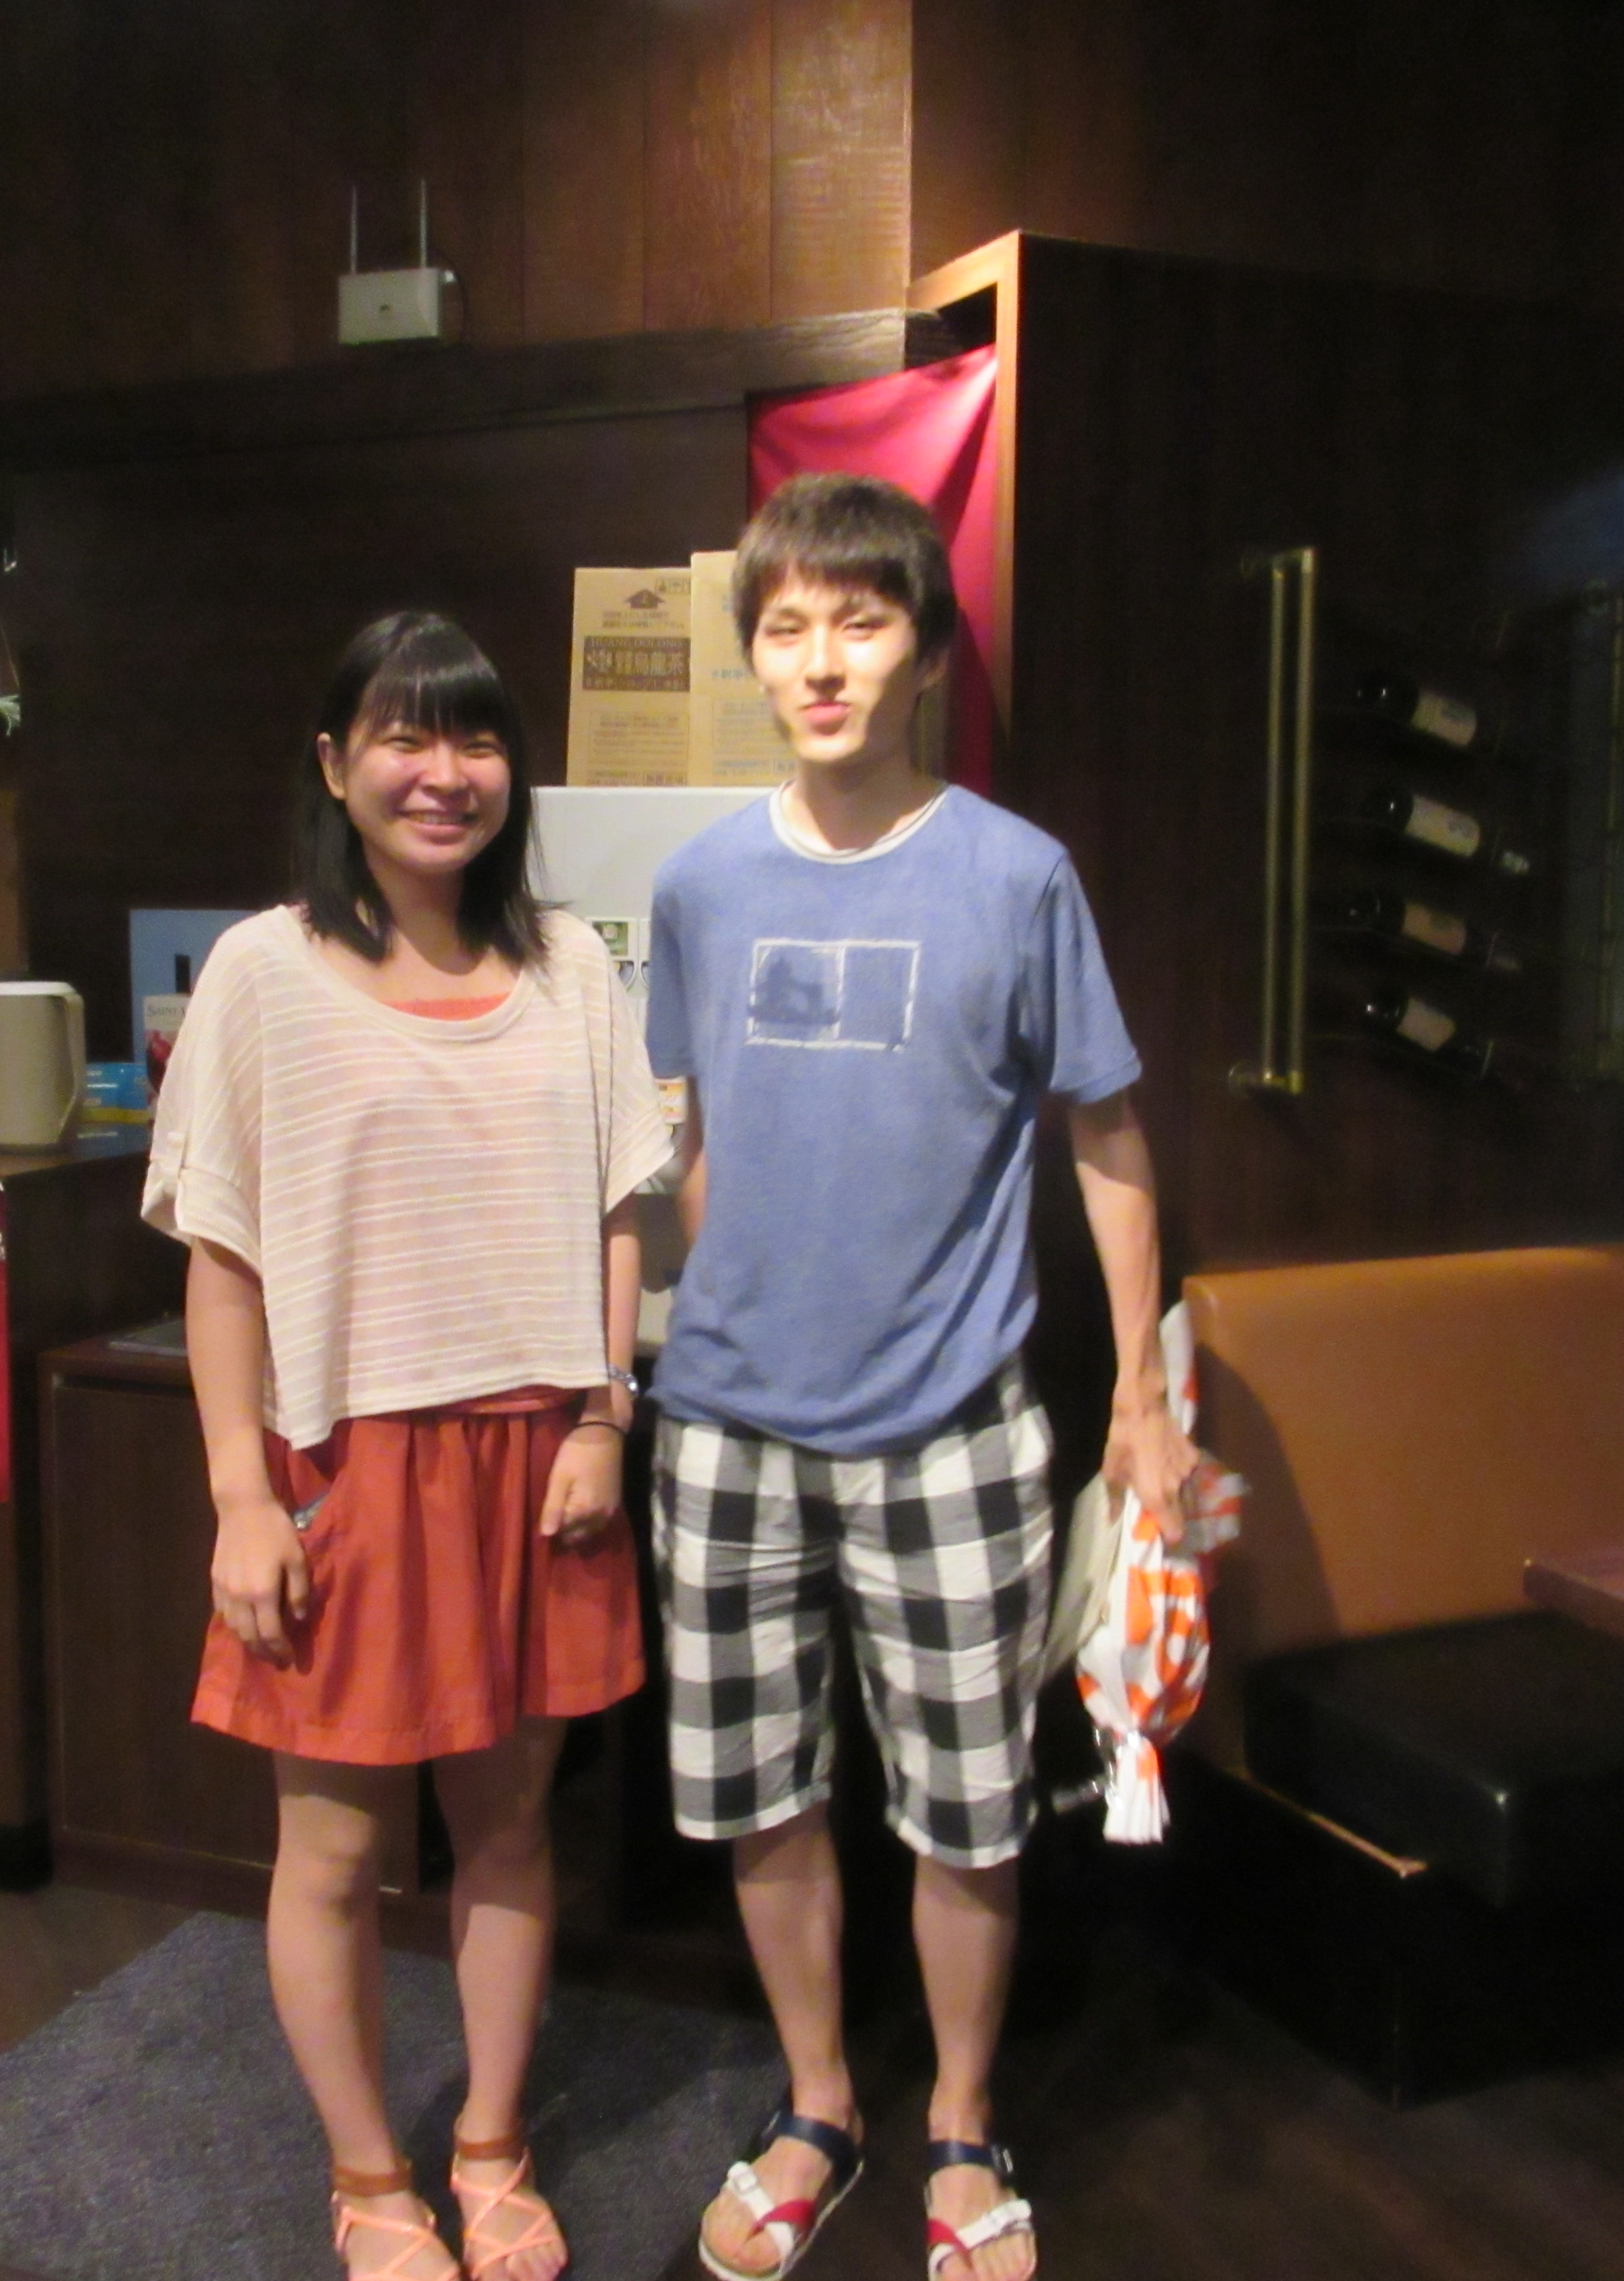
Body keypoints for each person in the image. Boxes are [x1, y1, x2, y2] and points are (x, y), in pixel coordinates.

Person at [645, 473, 1197, 2281]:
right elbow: (692, 1137)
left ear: (927, 649)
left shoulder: (1016, 875)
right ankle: (819, 2103)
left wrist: (1139, 1398)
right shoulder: (699, 883)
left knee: (968, 1806)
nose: (822, 661)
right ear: (754, 654)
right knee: (758, 1791)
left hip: (955, 1427)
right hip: (724, 1427)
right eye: (787, 626)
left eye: (860, 621)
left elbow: (1107, 1136)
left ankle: (962, 2120)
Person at [145, 612, 670, 2281]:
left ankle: (493, 2141)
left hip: (540, 1454)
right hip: (346, 1462)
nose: (445, 774)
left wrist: (604, 1413)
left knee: (509, 1828)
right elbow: (220, 1258)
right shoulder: (262, 970)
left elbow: (621, 1212)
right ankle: (369, 2179)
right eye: (403, 736)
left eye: (477, 740)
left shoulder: (569, 967)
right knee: (334, 1845)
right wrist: (240, 1495)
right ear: (334, 764)